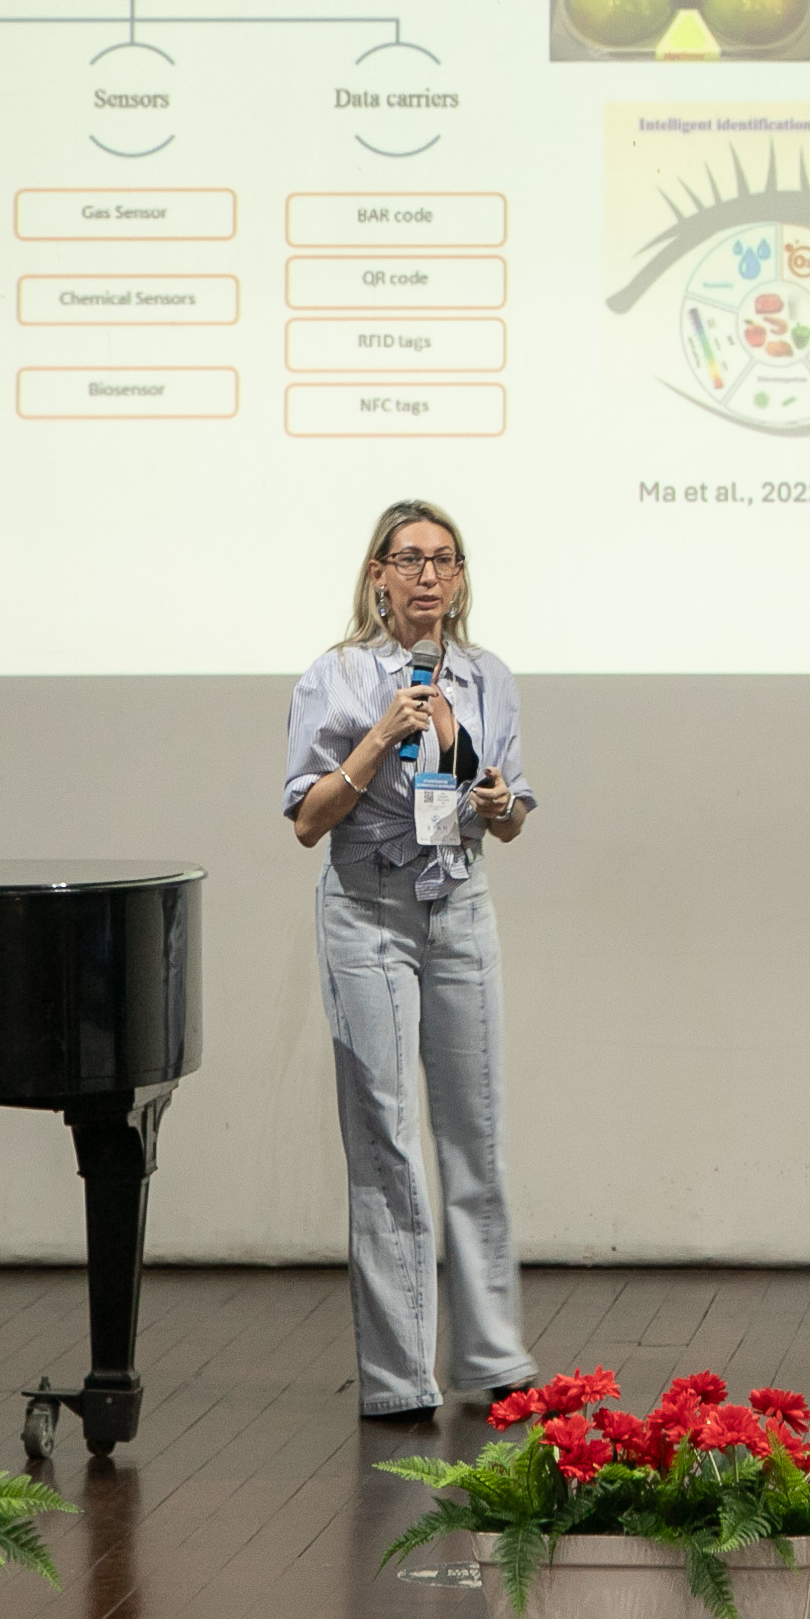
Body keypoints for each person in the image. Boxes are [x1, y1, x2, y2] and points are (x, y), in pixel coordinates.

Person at [284, 499, 540, 1425]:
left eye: (444, 559)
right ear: (378, 576)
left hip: (460, 903)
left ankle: (493, 1356)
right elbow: (307, 821)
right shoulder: (336, 675)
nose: (428, 575)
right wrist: (379, 736)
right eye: (409, 559)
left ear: (460, 578)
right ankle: (399, 1377)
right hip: (370, 909)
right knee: (385, 1138)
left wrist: (500, 801)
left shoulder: (487, 676)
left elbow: (510, 821)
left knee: (477, 1132)